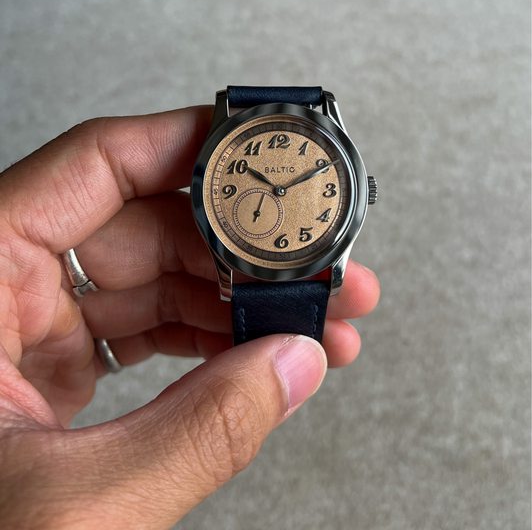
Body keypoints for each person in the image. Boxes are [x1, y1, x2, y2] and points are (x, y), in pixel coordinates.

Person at [0, 106, 380, 528]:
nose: (278, 190)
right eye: (270, 184)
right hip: (240, 259)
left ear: (361, 193)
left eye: (285, 185)